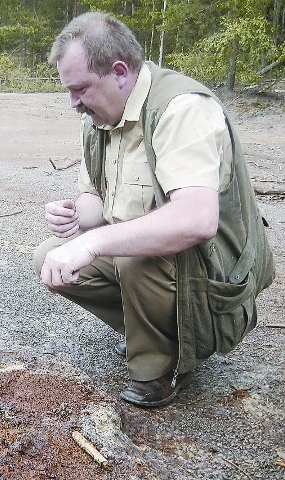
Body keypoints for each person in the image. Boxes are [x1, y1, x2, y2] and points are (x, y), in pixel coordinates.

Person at [33, 12, 275, 407]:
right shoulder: (97, 119)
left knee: (131, 258)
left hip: (214, 289)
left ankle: (157, 371)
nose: (72, 103)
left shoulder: (181, 109)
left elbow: (196, 221)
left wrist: (92, 243)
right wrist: (77, 216)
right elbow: (96, 198)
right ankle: (160, 338)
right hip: (165, 270)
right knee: (49, 258)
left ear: (119, 71)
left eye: (80, 89)